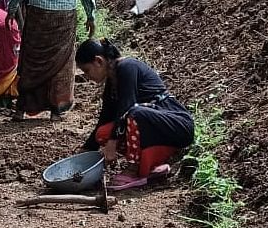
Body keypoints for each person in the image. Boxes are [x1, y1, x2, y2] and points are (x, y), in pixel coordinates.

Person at [76, 38, 194, 191]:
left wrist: (112, 143)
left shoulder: (127, 67)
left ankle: (134, 169)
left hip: (178, 126)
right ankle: (150, 165)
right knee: (102, 133)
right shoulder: (113, 80)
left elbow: (127, 107)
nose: (87, 77)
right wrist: (86, 149)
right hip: (155, 129)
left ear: (99, 61)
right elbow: (106, 117)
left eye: (87, 70)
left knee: (133, 113)